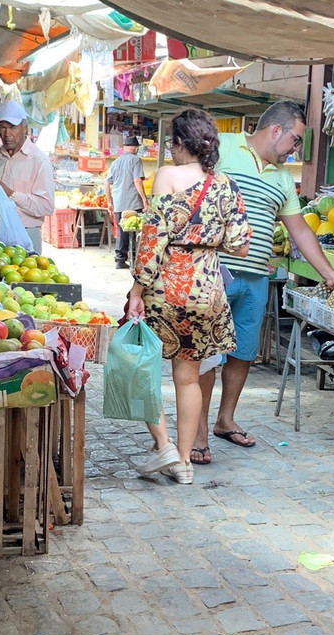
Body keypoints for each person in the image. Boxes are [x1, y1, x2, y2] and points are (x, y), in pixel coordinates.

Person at [194, 101, 334, 464]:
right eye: (296, 139)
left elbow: (300, 229)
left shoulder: (281, 179)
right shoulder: (221, 146)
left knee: (243, 352)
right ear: (276, 129)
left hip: (256, 278)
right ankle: (196, 433)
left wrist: (329, 274)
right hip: (214, 272)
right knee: (208, 356)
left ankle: (224, 420)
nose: (296, 149)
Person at [126, 109, 250, 485]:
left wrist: (136, 289)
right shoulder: (225, 184)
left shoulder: (166, 176)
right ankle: (184, 462)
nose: (170, 151)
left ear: (181, 144)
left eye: (172, 144)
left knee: (142, 368)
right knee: (189, 376)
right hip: (209, 289)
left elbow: (152, 241)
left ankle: (163, 444)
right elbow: (240, 244)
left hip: (168, 288)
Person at [0, 100, 55, 254]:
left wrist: (12, 194)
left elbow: (46, 206)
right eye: (2, 128)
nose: (7, 134)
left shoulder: (38, 160)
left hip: (26, 234)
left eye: (13, 127)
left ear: (24, 127)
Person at [106, 134, 148, 269]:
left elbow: (107, 183)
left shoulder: (115, 162)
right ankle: (134, 258)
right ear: (135, 148)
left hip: (118, 202)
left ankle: (120, 259)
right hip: (132, 202)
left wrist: (109, 202)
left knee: (122, 230)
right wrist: (145, 200)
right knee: (135, 230)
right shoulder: (136, 160)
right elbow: (137, 180)